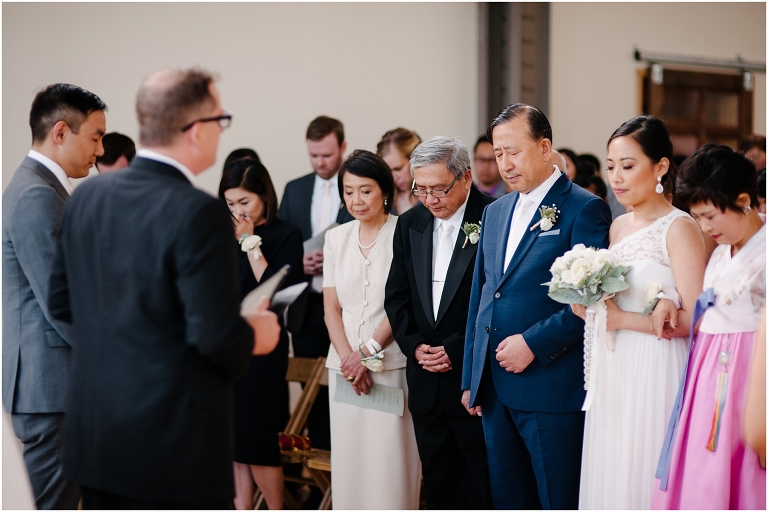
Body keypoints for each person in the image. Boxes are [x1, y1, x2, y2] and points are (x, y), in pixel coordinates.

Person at [48, 67, 281, 509]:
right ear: (196, 129)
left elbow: (62, 304)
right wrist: (254, 332)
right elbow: (213, 337)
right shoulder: (199, 212)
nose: (221, 130)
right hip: (172, 445)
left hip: (96, 435)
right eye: (220, 119)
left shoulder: (86, 200)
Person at [461, 103, 612, 509]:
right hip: (495, 388)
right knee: (509, 498)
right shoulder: (494, 212)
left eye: (514, 151)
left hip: (550, 384)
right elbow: (483, 296)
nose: (505, 164)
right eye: (498, 154)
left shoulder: (584, 207)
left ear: (545, 148)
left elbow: (589, 299)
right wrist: (471, 376)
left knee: (555, 497)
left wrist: (532, 344)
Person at [572, 116, 706, 509]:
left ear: (661, 166)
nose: (616, 177)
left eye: (628, 166)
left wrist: (621, 320)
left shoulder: (679, 227)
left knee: (643, 471)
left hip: (655, 365)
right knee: (612, 471)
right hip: (615, 368)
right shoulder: (616, 228)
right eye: (611, 166)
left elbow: (696, 319)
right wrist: (588, 307)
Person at [2, 83, 106, 510]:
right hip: (52, 386)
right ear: (61, 132)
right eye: (96, 137)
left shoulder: (43, 190)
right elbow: (59, 302)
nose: (100, 150)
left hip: (55, 383)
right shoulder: (36, 195)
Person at [652, 143, 766, 509]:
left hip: (748, 375)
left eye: (710, 216)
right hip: (707, 375)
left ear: (744, 200)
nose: (704, 227)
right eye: (697, 217)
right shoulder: (720, 253)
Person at [384, 136, 493, 509]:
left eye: (438, 189)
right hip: (426, 379)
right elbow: (396, 295)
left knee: (482, 483)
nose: (430, 199)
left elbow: (495, 301)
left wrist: (456, 348)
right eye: (421, 189)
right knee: (439, 484)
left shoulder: (493, 218)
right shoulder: (410, 223)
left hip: (471, 379)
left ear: (465, 178)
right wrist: (414, 346)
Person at [323, 150, 421, 509]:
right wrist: (350, 360)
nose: (356, 200)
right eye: (348, 191)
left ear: (384, 191)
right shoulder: (336, 238)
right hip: (345, 371)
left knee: (389, 464)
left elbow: (403, 304)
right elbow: (331, 308)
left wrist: (367, 354)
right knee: (351, 464)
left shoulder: (405, 231)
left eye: (365, 190)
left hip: (389, 367)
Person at [219, 156, 304, 510]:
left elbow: (274, 291)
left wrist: (251, 242)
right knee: (234, 446)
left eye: (244, 202)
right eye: (230, 204)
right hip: (228, 348)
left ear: (264, 197)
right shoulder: (224, 235)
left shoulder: (285, 234)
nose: (237, 211)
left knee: (258, 443)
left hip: (263, 351)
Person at [276, 115, 353, 452]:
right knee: (313, 394)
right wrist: (299, 261)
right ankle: (316, 479)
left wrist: (333, 260)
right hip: (307, 309)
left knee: (346, 388)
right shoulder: (295, 188)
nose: (321, 162)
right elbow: (279, 245)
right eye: (314, 156)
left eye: (327, 155)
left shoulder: (358, 185)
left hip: (348, 309)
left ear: (343, 148)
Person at [376, 127, 422, 213]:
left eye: (398, 169)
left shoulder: (432, 198)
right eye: (388, 171)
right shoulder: (384, 198)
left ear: (415, 161)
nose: (393, 178)